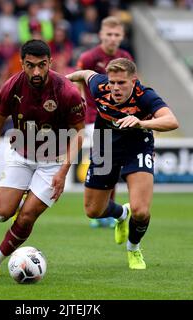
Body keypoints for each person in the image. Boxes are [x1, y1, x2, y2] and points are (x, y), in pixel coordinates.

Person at [0, 39, 86, 278]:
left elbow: (79, 134)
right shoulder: (11, 87)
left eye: (42, 65)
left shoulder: (66, 91)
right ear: (21, 63)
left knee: (27, 216)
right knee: (0, 213)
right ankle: (24, 198)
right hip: (20, 155)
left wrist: (63, 172)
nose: (37, 71)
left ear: (51, 62)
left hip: (53, 161)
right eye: (30, 65)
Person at [66, 58, 179, 269]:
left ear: (134, 81)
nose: (115, 88)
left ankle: (133, 249)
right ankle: (121, 214)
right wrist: (65, 79)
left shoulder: (145, 96)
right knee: (92, 210)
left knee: (141, 211)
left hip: (137, 147)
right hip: (105, 147)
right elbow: (85, 73)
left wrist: (141, 122)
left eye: (121, 83)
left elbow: (172, 120)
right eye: (113, 82)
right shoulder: (99, 86)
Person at [76, 16, 133, 229]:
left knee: (111, 164)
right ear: (101, 35)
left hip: (117, 118)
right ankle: (100, 210)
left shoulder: (125, 56)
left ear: (122, 36)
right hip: (94, 118)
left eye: (116, 35)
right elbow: (79, 81)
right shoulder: (90, 57)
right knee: (104, 163)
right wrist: (81, 104)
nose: (112, 38)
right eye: (109, 34)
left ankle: (106, 209)